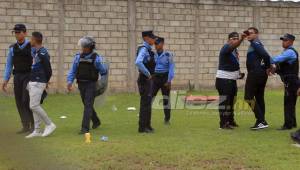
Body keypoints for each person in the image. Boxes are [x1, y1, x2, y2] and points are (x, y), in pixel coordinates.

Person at [67, 36, 107, 134]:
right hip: (81, 84)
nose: (82, 48)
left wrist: (102, 81)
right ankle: (96, 121)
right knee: (86, 104)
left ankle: (85, 128)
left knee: (88, 105)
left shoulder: (96, 58)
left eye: (84, 46)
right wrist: (69, 81)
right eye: (82, 46)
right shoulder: (78, 57)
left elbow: (103, 71)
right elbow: (73, 70)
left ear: (89, 47)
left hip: (91, 85)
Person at [2, 24, 34, 134]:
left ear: (25, 33)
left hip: (28, 75)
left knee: (26, 100)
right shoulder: (12, 48)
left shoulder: (31, 46)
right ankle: (25, 125)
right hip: (17, 76)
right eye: (15, 32)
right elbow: (9, 65)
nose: (17, 34)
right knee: (19, 101)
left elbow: (37, 62)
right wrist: (5, 80)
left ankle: (33, 125)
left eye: (19, 32)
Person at [25, 32, 56, 138]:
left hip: (39, 82)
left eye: (31, 39)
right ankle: (37, 130)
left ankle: (49, 124)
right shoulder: (36, 51)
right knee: (34, 106)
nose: (30, 41)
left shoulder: (43, 53)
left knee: (33, 106)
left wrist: (45, 81)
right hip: (33, 81)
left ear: (34, 40)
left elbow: (49, 70)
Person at [215, 32, 246, 129]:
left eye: (237, 38)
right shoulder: (226, 47)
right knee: (225, 102)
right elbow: (233, 46)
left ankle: (230, 121)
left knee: (232, 102)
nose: (236, 40)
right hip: (224, 80)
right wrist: (241, 39)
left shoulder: (235, 51)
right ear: (229, 40)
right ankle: (223, 123)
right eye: (234, 38)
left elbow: (235, 63)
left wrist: (239, 74)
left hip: (231, 80)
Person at [244, 27, 272, 130]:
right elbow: (265, 56)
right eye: (247, 33)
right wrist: (266, 67)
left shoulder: (255, 43)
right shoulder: (256, 43)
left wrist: (268, 67)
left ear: (256, 34)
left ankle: (261, 120)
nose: (248, 35)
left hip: (255, 74)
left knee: (248, 97)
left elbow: (265, 55)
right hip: (260, 73)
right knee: (259, 97)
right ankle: (261, 121)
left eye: (250, 33)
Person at [271, 33, 298, 130]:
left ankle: (288, 125)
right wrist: (276, 70)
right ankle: (293, 122)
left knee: (288, 103)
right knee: (291, 103)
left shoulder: (289, 52)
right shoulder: (287, 51)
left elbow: (276, 60)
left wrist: (266, 60)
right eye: (283, 40)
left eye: (285, 40)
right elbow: (283, 67)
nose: (283, 42)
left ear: (291, 42)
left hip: (291, 81)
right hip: (292, 81)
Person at [135, 31, 156, 133]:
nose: (153, 40)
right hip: (145, 80)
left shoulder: (148, 49)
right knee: (145, 103)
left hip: (148, 80)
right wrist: (148, 74)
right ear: (146, 38)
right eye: (152, 38)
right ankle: (142, 127)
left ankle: (147, 125)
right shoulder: (143, 49)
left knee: (148, 103)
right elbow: (138, 62)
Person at [152, 37, 175, 125]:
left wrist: (169, 81)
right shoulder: (153, 55)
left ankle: (167, 119)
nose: (156, 46)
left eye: (157, 44)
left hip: (165, 78)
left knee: (166, 99)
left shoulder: (168, 55)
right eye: (155, 44)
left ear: (162, 44)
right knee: (150, 97)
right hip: (155, 78)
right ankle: (146, 117)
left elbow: (171, 69)